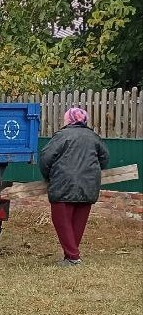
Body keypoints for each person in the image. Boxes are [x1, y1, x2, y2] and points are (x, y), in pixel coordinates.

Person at [39, 106, 109, 267]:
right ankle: (71, 256)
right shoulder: (94, 137)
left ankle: (72, 257)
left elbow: (45, 158)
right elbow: (105, 158)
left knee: (62, 223)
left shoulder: (62, 136)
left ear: (69, 120)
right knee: (78, 223)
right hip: (88, 186)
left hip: (63, 185)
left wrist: (49, 176)